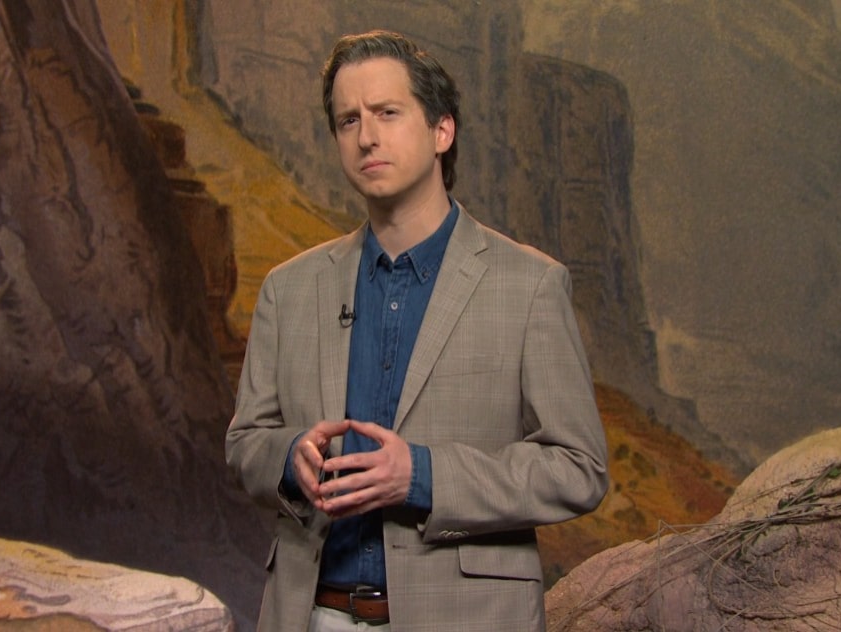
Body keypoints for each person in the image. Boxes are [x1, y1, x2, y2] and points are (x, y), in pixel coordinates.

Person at [226, 29, 609, 631]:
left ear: (441, 131)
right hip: (310, 615)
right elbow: (246, 442)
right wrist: (287, 456)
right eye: (348, 120)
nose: (366, 137)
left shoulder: (531, 286)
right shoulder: (288, 289)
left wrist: (423, 476)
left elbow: (578, 468)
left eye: (386, 113)